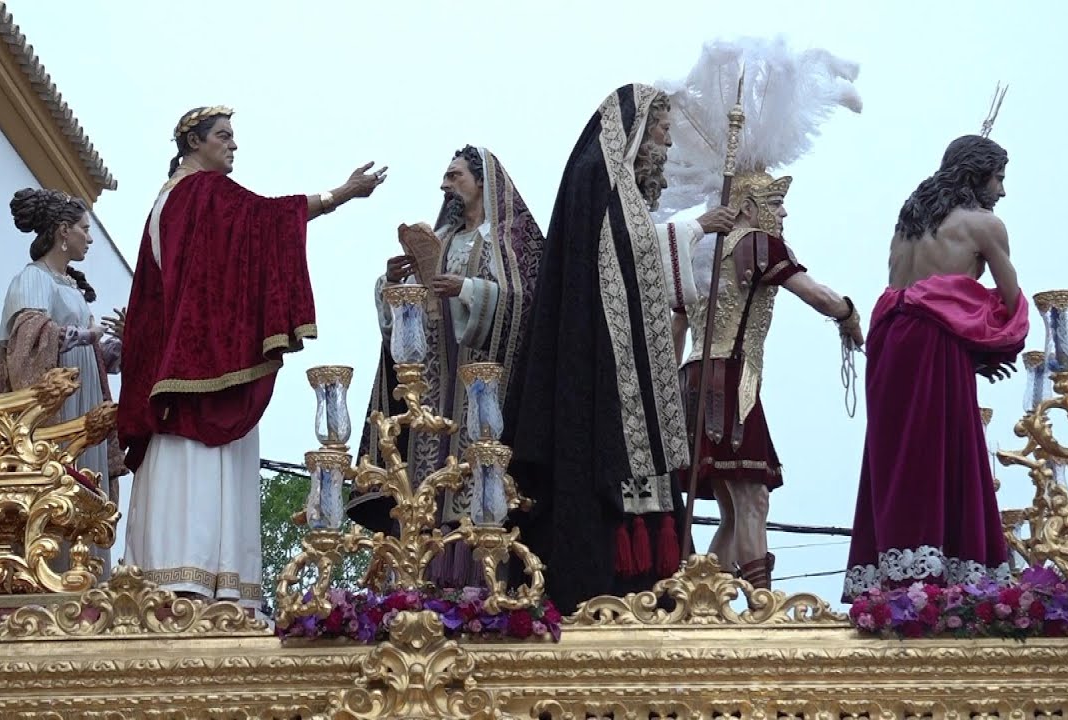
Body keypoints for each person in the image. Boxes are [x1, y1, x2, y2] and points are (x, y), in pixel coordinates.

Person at [118, 106, 386, 608]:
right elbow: (267, 219)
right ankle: (199, 578)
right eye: (224, 136)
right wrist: (339, 195)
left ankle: (181, 576)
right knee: (201, 466)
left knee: (187, 469)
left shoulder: (165, 202)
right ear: (193, 142)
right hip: (200, 368)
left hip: (171, 376)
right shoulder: (202, 193)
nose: (233, 145)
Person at [501, 85, 736, 613]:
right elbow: (628, 251)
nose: (667, 147)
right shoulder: (599, 180)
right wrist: (698, 227)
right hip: (596, 384)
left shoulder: (619, 191)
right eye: (660, 132)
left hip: (614, 372)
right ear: (631, 132)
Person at [348, 146, 544, 588]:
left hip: (484, 388)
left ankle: (481, 588)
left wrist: (469, 289)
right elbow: (405, 316)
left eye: (454, 176)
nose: (445, 185)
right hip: (435, 387)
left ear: (482, 182)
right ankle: (417, 584)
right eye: (445, 177)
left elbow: (529, 302)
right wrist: (394, 283)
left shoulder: (507, 241)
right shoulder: (444, 239)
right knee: (423, 491)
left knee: (477, 487)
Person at [842, 135, 1028, 601]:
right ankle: (941, 576)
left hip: (890, 338)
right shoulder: (986, 225)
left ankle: (893, 567)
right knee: (943, 448)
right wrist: (983, 344)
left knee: (896, 452)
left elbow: (910, 286)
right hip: (931, 342)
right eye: (999, 177)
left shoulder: (909, 221)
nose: (1002, 190)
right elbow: (1011, 304)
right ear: (977, 173)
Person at [673, 171, 863, 591]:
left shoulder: (701, 252)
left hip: (693, 382)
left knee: (734, 510)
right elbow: (817, 295)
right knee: (753, 498)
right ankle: (762, 610)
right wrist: (850, 315)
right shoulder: (760, 244)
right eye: (775, 203)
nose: (783, 211)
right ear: (747, 206)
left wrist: (666, 387)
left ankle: (703, 607)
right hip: (731, 379)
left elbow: (678, 325)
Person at [0, 188, 125, 573]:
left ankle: (87, 570)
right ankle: (53, 568)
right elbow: (28, 339)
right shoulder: (33, 279)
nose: (89, 237)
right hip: (58, 406)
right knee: (61, 481)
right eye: (84, 229)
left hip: (85, 398)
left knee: (88, 481)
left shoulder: (70, 287)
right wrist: (84, 337)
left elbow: (93, 351)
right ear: (62, 231)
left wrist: (122, 342)